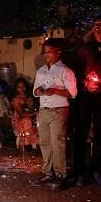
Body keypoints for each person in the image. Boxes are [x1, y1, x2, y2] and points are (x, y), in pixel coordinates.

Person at [72, 16, 101, 186]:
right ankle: (79, 172)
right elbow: (74, 65)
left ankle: (96, 169)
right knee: (81, 133)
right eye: (94, 25)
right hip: (85, 97)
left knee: (100, 135)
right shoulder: (86, 47)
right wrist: (84, 82)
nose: (97, 28)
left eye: (100, 25)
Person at [32, 38, 77, 190]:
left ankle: (60, 175)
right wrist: (38, 91)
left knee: (57, 143)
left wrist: (55, 90)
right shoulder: (41, 71)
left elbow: (73, 93)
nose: (47, 55)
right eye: (45, 52)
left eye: (50, 52)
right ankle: (47, 173)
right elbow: (35, 89)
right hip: (44, 110)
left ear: (59, 52)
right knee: (45, 142)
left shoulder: (65, 71)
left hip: (59, 110)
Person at [11, 78, 39, 150]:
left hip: (30, 116)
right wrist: (33, 114)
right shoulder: (15, 100)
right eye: (19, 87)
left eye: (23, 86)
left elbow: (31, 109)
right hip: (19, 119)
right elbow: (21, 114)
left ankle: (36, 145)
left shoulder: (29, 97)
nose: (22, 89)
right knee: (26, 120)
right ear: (16, 89)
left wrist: (33, 111)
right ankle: (24, 144)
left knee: (39, 119)